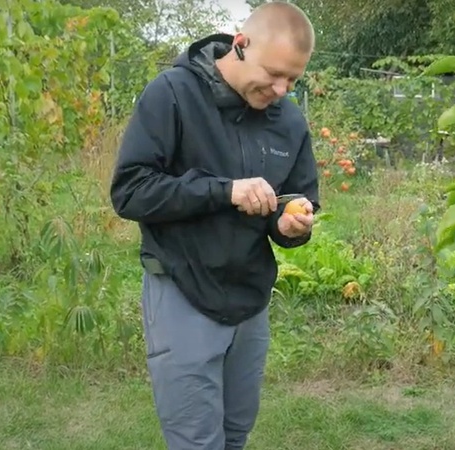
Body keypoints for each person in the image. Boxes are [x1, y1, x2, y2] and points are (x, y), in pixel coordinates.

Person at [109, 2, 319, 449]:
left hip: (249, 300)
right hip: (182, 291)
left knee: (235, 433)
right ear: (241, 44)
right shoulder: (172, 95)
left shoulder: (290, 123)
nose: (282, 89)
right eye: (275, 73)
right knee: (195, 441)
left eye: (293, 79)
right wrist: (223, 191)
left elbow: (297, 204)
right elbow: (130, 191)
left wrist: (293, 225)